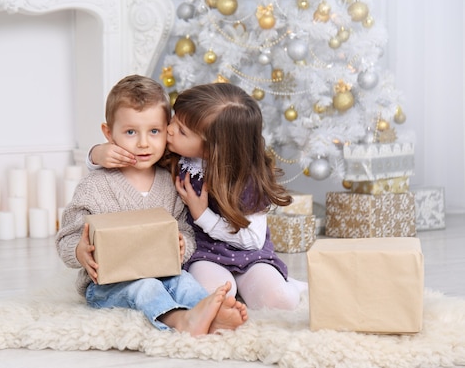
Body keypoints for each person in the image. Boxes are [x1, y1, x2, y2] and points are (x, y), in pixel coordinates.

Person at [56, 75, 248, 336]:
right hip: (107, 284)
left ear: (167, 129)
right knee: (146, 287)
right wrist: (80, 251)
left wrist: (183, 244)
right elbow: (66, 238)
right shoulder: (95, 186)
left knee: (184, 281)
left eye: (154, 131)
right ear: (109, 134)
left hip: (163, 271)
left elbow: (185, 230)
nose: (144, 143)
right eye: (130, 132)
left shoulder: (169, 181)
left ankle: (210, 313)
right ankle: (180, 320)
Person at [88, 82, 307, 310]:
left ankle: (288, 284)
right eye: (174, 120)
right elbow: (126, 155)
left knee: (281, 301)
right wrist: (96, 154)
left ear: (212, 148)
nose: (169, 130)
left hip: (250, 255)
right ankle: (236, 288)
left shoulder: (246, 178)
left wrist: (202, 214)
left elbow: (253, 240)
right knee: (212, 297)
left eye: (181, 130)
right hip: (202, 254)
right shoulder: (176, 153)